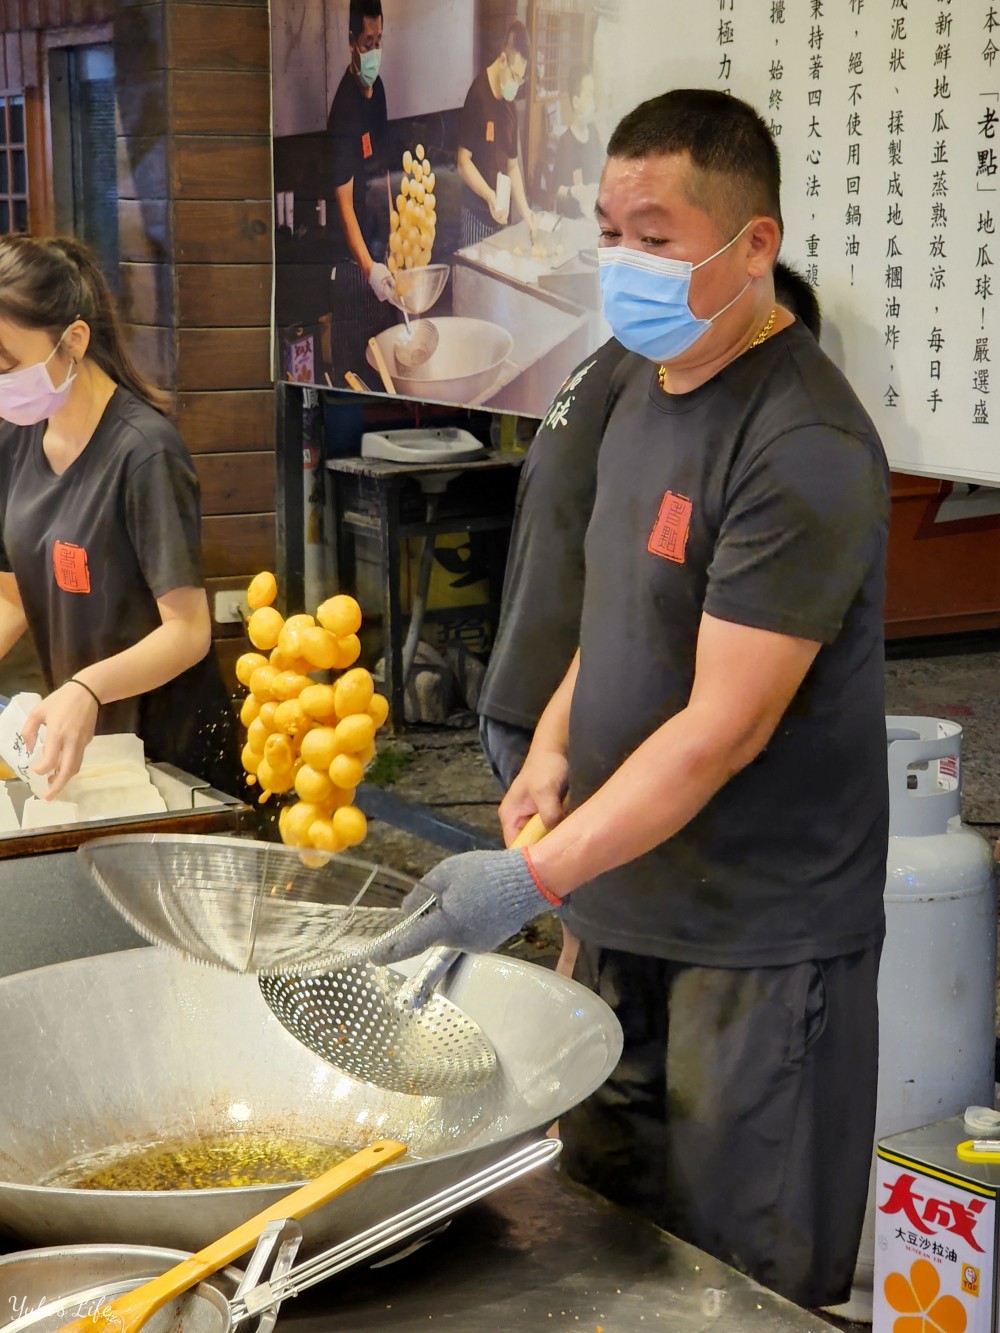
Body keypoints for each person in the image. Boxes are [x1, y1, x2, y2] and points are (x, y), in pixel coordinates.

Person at [375, 88, 889, 1311]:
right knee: (599, 1251)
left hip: (753, 951)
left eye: (653, 239)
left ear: (752, 243)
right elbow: (610, 603)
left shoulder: (800, 441)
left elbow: (721, 730)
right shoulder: (639, 389)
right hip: (621, 912)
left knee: (733, 1284)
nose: (621, 263)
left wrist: (529, 878)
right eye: (609, 231)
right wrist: (552, 747)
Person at [478, 260, 822, 794]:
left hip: (530, 692)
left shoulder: (619, 363)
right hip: (560, 712)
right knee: (569, 866)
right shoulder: (658, 385)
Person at [0, 235, 240, 799]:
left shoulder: (145, 453)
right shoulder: (13, 438)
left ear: (74, 340)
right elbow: (12, 593)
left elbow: (187, 631)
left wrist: (86, 688)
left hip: (171, 760)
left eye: (6, 362)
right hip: (83, 753)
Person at [326, 0, 395, 382]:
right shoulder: (343, 113)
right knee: (356, 374)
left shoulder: (378, 90)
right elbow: (344, 206)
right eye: (368, 43)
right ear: (352, 43)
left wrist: (393, 239)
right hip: (354, 268)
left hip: (380, 255)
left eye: (379, 41)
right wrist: (369, 268)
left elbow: (383, 173)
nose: (374, 53)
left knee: (386, 362)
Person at [457, 21, 536, 249]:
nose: (517, 84)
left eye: (522, 79)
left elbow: (512, 167)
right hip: (476, 216)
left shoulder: (509, 105)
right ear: (502, 60)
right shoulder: (478, 95)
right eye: (514, 76)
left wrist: (526, 212)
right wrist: (489, 196)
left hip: (500, 219)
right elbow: (463, 162)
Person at [551, 66, 604, 219]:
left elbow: (602, 169)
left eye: (593, 94)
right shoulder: (566, 142)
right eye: (588, 95)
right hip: (573, 221)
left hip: (593, 219)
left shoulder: (593, 133)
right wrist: (573, 192)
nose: (593, 102)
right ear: (576, 102)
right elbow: (556, 191)